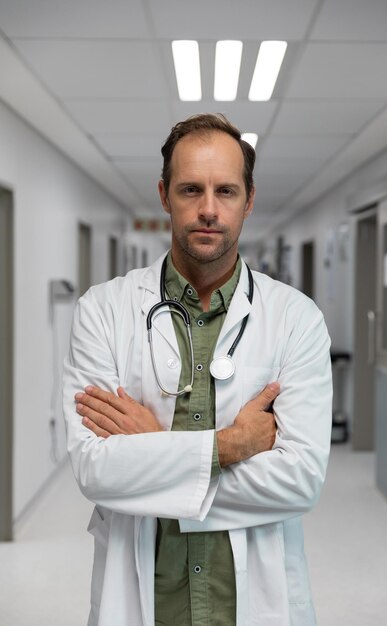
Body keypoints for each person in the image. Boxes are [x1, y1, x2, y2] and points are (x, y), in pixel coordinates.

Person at [63, 113, 332, 626]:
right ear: (164, 195)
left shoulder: (296, 318)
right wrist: (230, 446)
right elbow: (96, 470)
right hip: (144, 600)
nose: (209, 209)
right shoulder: (103, 310)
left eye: (226, 191)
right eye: (191, 189)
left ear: (249, 200)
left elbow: (300, 481)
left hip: (252, 601)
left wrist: (152, 448)